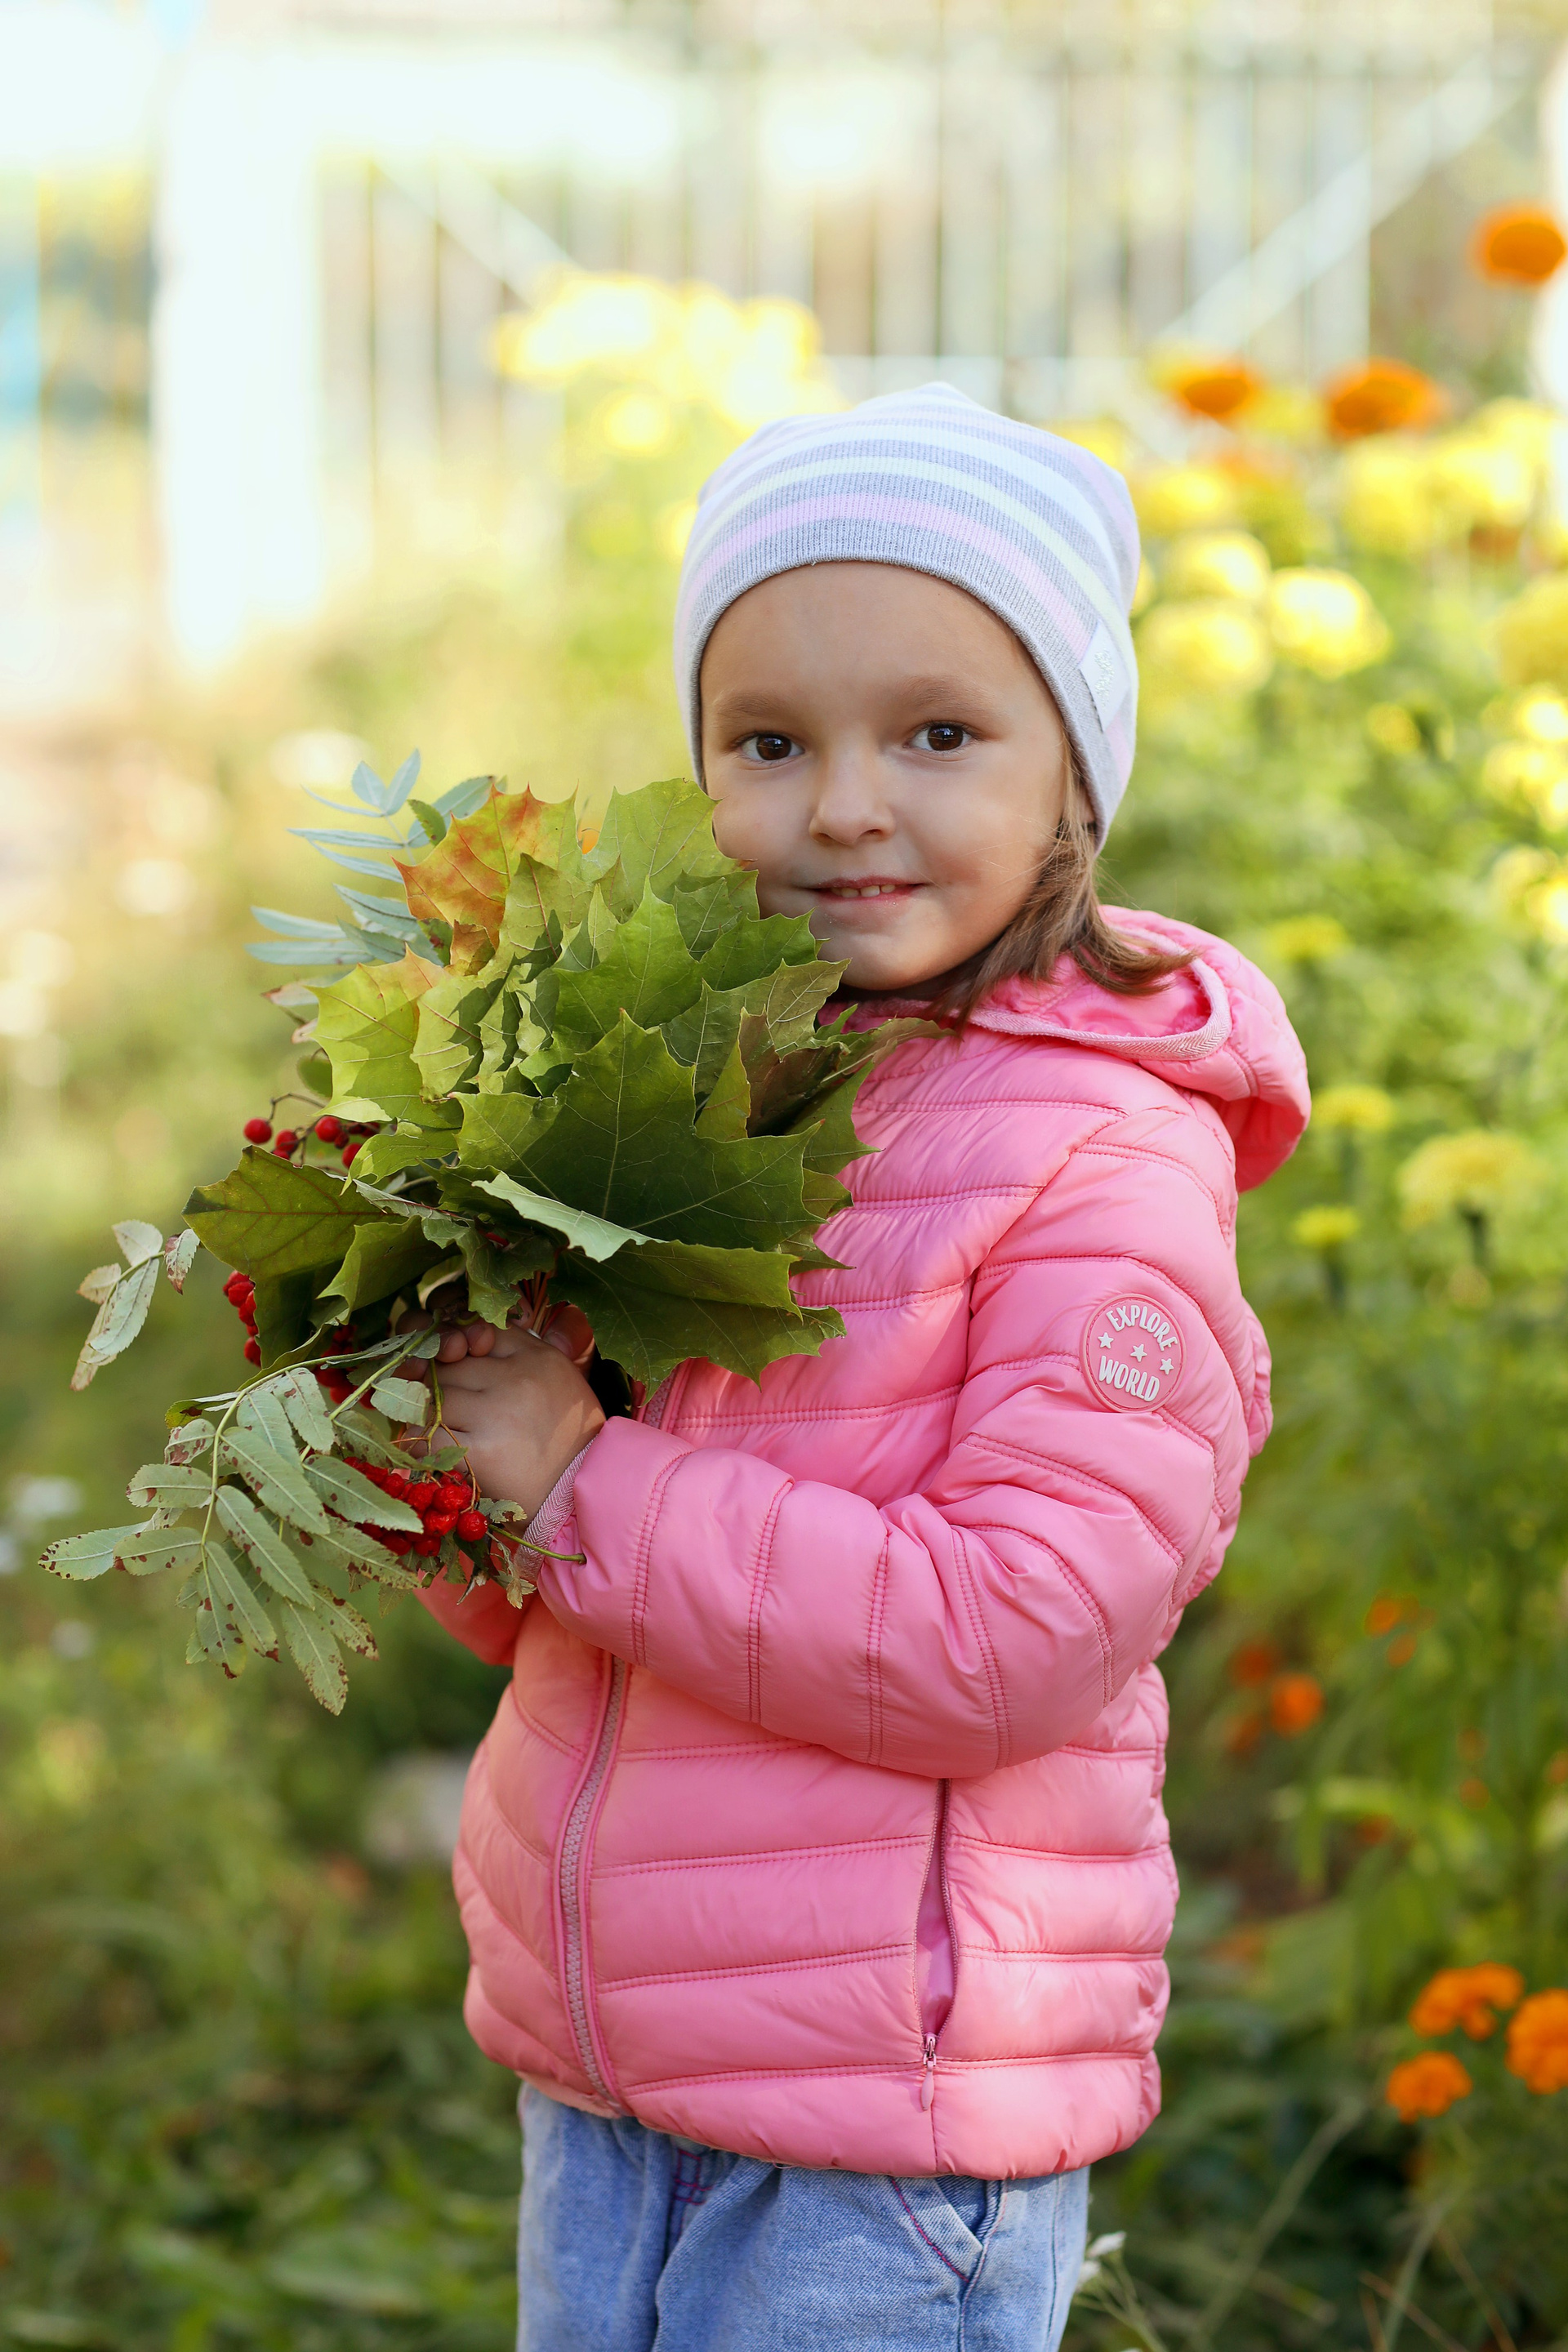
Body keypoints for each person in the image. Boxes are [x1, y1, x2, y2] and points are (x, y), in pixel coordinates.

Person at [414, 383, 1310, 2351]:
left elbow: (1013, 1635)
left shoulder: (1100, 1161)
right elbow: (540, 1611)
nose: (839, 804)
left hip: (888, 2135)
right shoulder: (692, 1091)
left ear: (1074, 777)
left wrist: (580, 1480)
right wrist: (447, 1431)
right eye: (768, 741)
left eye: (935, 734)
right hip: (611, 2072)